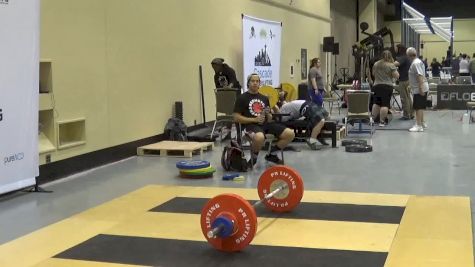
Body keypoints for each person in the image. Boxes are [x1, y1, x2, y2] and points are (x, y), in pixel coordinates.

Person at [233, 73, 294, 165]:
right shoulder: (242, 98)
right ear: (248, 83)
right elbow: (236, 117)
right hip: (250, 126)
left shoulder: (264, 98)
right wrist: (254, 120)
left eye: (257, 81)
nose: (255, 83)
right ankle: (253, 159)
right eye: (253, 81)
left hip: (265, 125)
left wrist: (269, 114)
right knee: (259, 137)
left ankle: (272, 154)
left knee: (290, 134)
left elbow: (269, 118)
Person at [371, 50, 399, 127]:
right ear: (390, 56)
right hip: (387, 86)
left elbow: (373, 74)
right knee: (385, 104)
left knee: (376, 103)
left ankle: (372, 120)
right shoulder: (391, 65)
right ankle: (382, 122)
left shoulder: (376, 64)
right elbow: (396, 76)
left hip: (376, 85)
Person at [407, 47, 429, 132]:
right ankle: (422, 122)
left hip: (419, 88)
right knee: (420, 107)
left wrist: (420, 88)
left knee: (418, 107)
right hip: (418, 87)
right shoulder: (418, 61)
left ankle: (418, 125)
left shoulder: (415, 63)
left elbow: (419, 76)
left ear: (409, 55)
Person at [395, 44, 413, 120]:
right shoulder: (407, 57)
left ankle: (406, 115)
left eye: (396, 48)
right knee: (408, 97)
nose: (395, 49)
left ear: (399, 49)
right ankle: (411, 114)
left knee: (404, 98)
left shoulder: (402, 57)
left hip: (403, 80)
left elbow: (395, 64)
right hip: (408, 80)